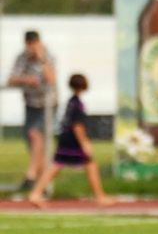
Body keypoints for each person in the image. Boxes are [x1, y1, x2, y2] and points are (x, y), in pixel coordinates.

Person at [26, 74, 114, 208]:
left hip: (65, 138)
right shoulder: (78, 104)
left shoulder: (71, 102)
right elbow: (77, 126)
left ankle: (36, 193)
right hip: (72, 141)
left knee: (57, 166)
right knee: (89, 165)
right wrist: (84, 143)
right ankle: (99, 197)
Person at [5, 30, 57, 192]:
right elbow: (11, 79)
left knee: (35, 135)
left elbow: (51, 79)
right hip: (30, 104)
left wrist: (41, 59)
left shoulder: (47, 56)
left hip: (47, 105)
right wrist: (26, 80)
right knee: (34, 143)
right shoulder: (22, 58)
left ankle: (31, 175)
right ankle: (42, 185)